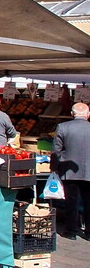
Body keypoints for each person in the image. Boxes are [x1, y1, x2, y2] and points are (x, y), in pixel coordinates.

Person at [53, 102, 90, 240]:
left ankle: (71, 231)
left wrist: (54, 167)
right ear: (88, 114)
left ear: (72, 114)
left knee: (71, 202)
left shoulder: (63, 127)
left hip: (69, 171)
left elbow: (56, 150)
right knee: (89, 201)